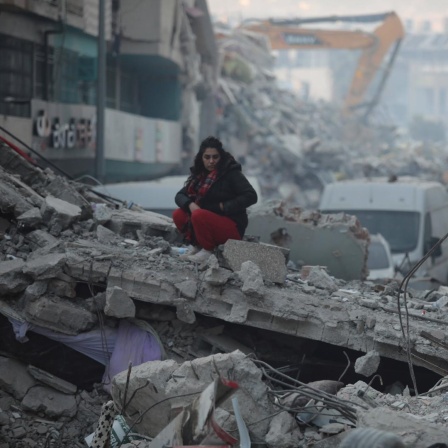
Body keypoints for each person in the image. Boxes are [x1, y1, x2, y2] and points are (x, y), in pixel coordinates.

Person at [173, 136, 258, 262]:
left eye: (215, 157)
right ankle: (198, 246)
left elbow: (251, 196)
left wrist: (223, 207)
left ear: (221, 157)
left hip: (230, 225)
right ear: (201, 158)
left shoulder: (231, 173)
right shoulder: (199, 175)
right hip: (207, 221)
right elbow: (179, 196)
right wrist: (190, 204)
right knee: (178, 214)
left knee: (198, 215)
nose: (211, 161)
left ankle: (207, 251)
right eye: (207, 157)